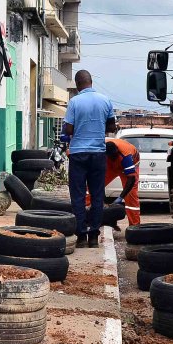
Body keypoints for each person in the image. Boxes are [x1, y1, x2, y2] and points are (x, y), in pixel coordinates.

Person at [62, 70, 115, 248]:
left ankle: (81, 237)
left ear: (77, 84)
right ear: (91, 82)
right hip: (98, 153)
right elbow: (112, 126)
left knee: (77, 196)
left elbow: (68, 130)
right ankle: (94, 236)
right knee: (97, 195)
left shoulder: (74, 102)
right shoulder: (105, 100)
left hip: (78, 154)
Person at [104, 137, 141, 227]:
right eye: (111, 156)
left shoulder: (126, 156)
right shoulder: (100, 149)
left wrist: (121, 197)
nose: (114, 158)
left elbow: (131, 180)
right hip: (110, 165)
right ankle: (88, 218)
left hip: (128, 167)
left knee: (131, 196)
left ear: (117, 151)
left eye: (114, 156)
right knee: (92, 187)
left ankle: (134, 226)